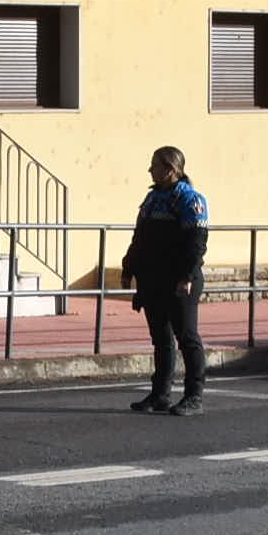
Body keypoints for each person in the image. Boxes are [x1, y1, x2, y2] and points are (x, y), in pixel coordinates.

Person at [119, 144, 210, 416]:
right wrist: (129, 268)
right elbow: (140, 238)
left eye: (155, 165)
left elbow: (196, 243)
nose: (150, 170)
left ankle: (194, 396)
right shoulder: (152, 199)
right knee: (161, 338)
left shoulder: (189, 199)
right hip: (153, 279)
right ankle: (160, 395)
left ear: (170, 169)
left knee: (187, 337)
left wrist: (186, 276)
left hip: (180, 280)